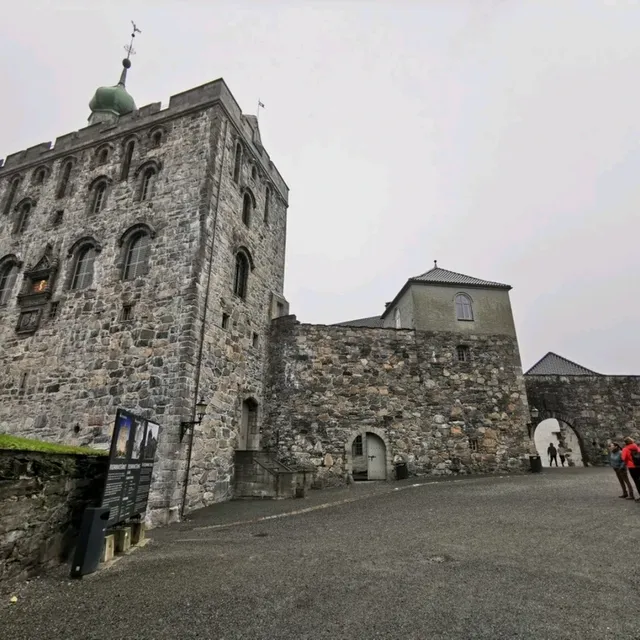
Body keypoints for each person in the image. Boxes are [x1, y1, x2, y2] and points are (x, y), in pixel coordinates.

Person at [621, 437, 640, 502]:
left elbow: (623, 458)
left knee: (637, 482)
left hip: (632, 467)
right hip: (639, 465)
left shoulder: (625, 449)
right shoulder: (636, 446)